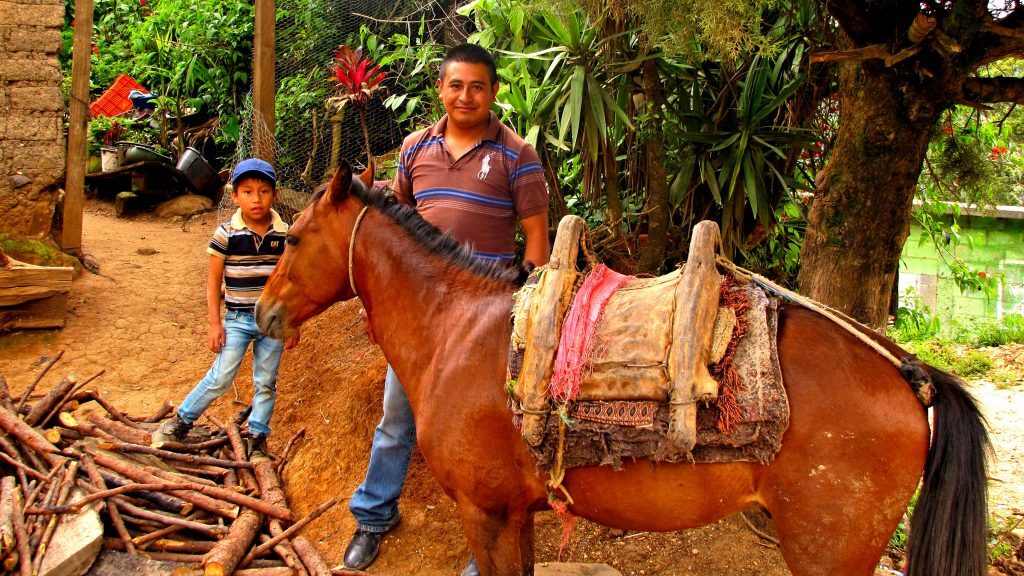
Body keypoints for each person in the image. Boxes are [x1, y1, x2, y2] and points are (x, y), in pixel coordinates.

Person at [342, 44, 551, 574]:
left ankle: (492, 554)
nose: (466, 96)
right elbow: (394, 228)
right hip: (423, 323)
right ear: (440, 89)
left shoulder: (517, 155)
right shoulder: (415, 148)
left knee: (492, 438)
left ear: (494, 92)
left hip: (488, 325)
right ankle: (374, 515)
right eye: (456, 85)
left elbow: (536, 241)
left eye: (477, 86)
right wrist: (379, 307)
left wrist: (526, 308)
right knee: (396, 419)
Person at [152, 158, 299, 452]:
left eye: (264, 191)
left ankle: (257, 438)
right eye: (247, 192)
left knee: (266, 381)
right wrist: (214, 323)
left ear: (274, 194)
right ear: (234, 196)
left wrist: (293, 322)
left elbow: (290, 281)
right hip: (238, 320)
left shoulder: (285, 234)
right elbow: (213, 282)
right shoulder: (226, 233)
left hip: (273, 321)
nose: (256, 199)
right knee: (221, 377)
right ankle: (181, 421)